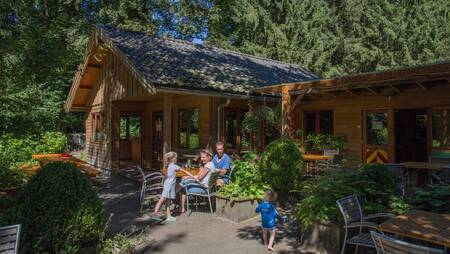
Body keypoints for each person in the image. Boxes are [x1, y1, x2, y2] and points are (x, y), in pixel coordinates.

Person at [152, 151, 193, 221]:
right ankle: (155, 214)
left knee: (168, 201)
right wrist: (193, 176)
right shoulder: (174, 166)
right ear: (173, 159)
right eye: (176, 158)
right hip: (169, 186)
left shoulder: (168, 166)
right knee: (162, 199)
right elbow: (185, 171)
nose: (176, 159)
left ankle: (168, 216)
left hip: (169, 185)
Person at [177, 149, 216, 213]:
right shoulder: (211, 164)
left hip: (204, 189)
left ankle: (178, 205)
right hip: (209, 188)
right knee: (185, 181)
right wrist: (189, 177)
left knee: (182, 188)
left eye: (204, 157)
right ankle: (173, 195)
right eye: (201, 157)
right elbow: (199, 176)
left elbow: (199, 178)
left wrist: (189, 177)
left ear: (209, 157)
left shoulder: (207, 166)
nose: (202, 159)